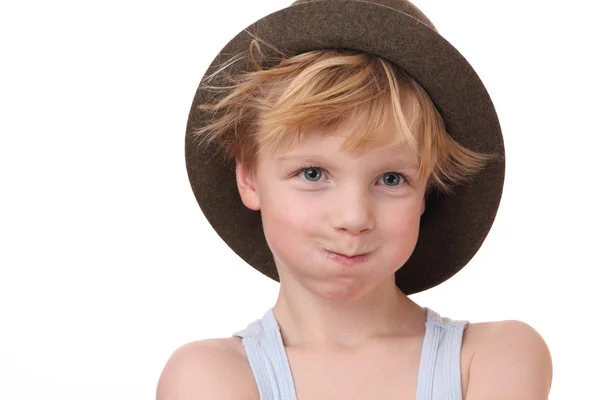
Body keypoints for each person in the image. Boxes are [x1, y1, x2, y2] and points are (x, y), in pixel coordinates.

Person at [157, 0, 553, 398]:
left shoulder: (491, 358)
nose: (353, 216)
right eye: (312, 174)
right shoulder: (208, 377)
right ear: (249, 177)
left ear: (426, 192)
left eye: (391, 178)